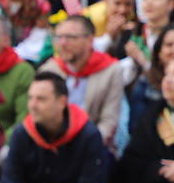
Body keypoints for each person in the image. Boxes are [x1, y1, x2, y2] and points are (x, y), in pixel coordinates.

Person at [40, 15, 126, 152]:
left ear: (90, 40)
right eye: (58, 37)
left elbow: (109, 121)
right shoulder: (49, 69)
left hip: (92, 146)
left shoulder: (111, 70)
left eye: (70, 38)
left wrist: (82, 147)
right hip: (53, 146)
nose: (62, 43)